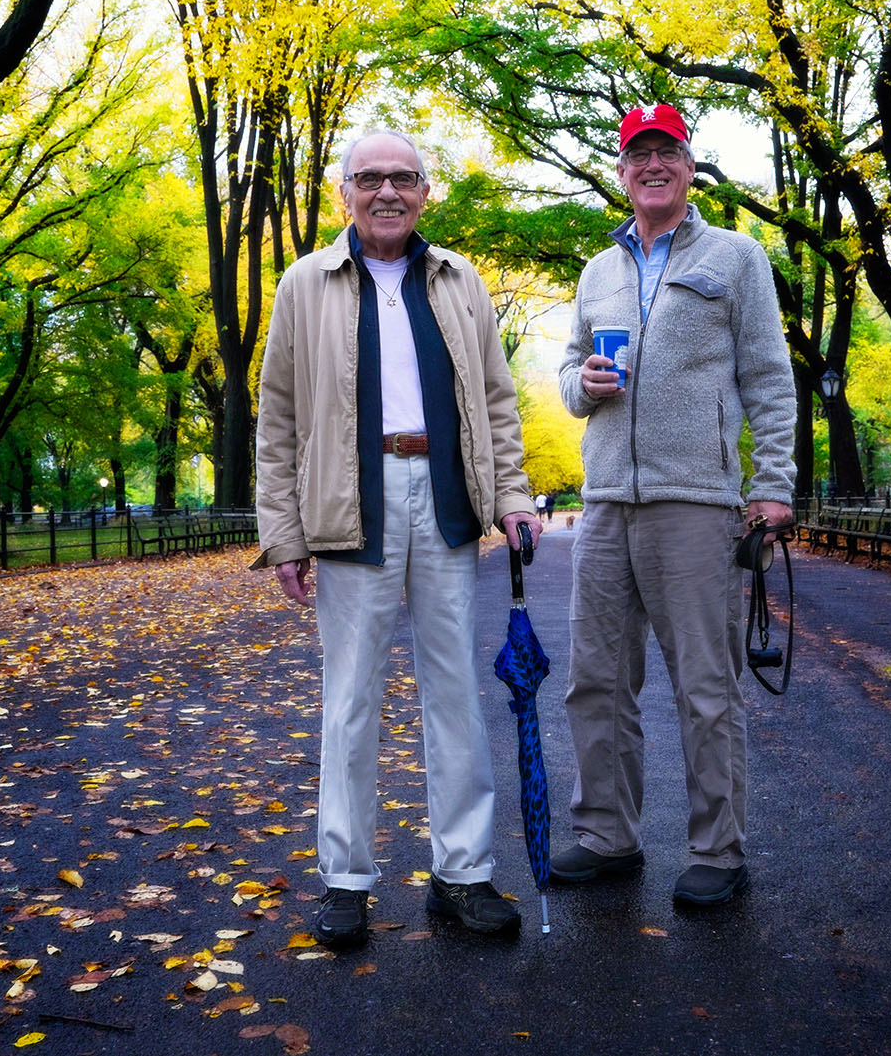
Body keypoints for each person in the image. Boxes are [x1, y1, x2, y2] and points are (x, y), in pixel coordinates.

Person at [254, 128, 540, 946]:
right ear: (344, 191)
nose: (388, 191)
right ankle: (345, 880)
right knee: (350, 699)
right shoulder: (304, 284)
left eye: (404, 178)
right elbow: (277, 418)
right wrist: (284, 531)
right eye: (370, 178)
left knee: (455, 693)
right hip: (349, 501)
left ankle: (463, 873)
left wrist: (511, 496)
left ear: (424, 191)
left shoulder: (458, 279)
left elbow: (495, 399)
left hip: (447, 498)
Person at [553, 104, 796, 907]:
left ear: (691, 168)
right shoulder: (597, 271)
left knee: (705, 682)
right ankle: (605, 834)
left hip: (695, 503)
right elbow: (565, 373)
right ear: (620, 173)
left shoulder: (736, 256)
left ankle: (718, 849)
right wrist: (578, 387)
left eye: (668, 152)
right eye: (637, 155)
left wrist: (772, 485)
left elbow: (768, 376)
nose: (652, 165)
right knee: (594, 679)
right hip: (604, 506)